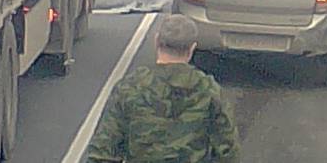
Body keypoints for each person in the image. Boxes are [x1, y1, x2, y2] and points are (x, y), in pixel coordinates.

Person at [87, 14, 240, 163]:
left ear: (156, 41)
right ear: (192, 48)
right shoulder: (208, 90)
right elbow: (227, 151)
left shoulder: (131, 87)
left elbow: (103, 151)